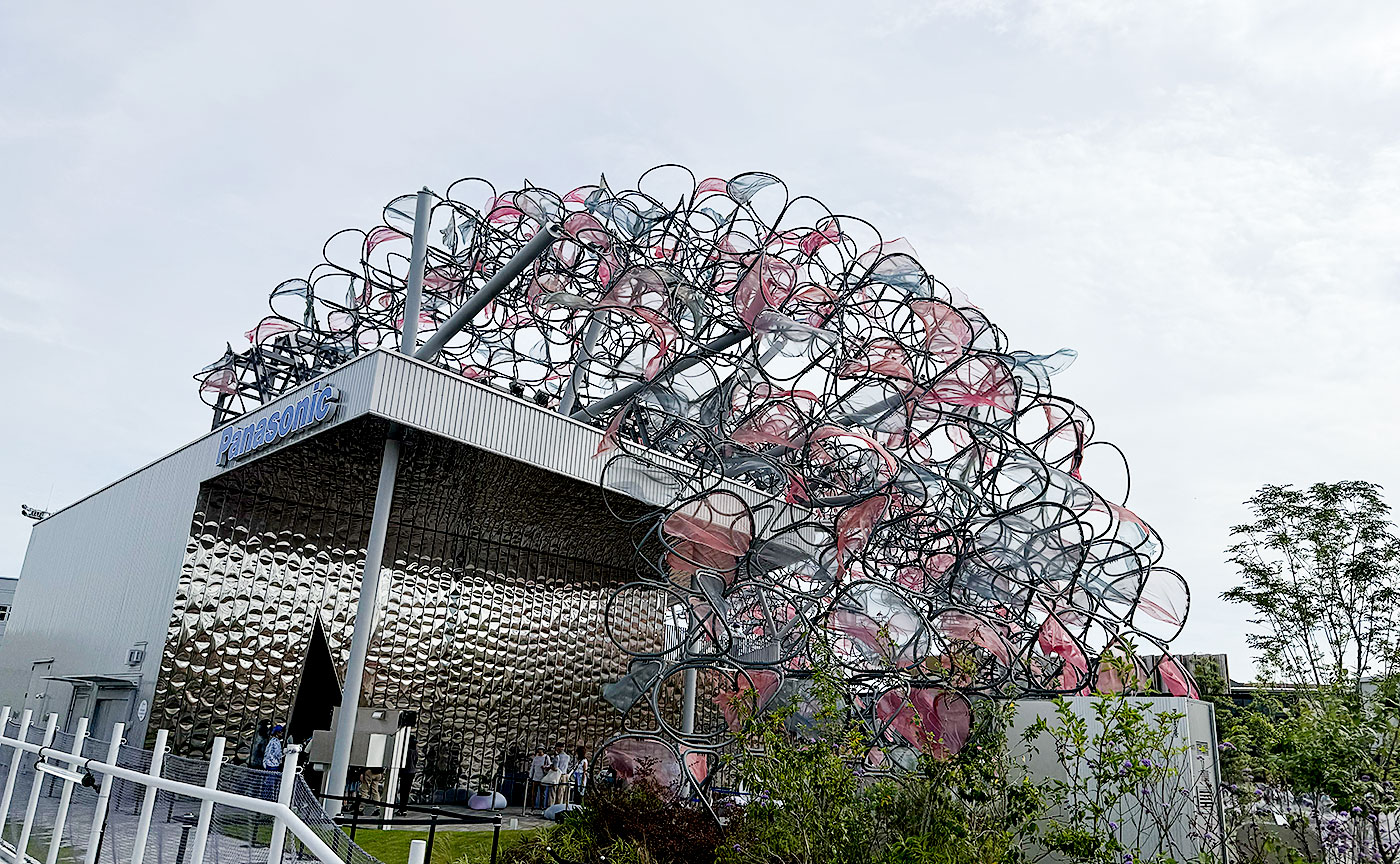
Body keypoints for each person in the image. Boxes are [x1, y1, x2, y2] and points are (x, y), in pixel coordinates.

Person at [528, 747, 549, 811]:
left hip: (543, 777)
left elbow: (550, 765)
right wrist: (530, 776)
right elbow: (532, 767)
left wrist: (545, 767)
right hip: (535, 777)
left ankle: (541, 806)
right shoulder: (535, 758)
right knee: (534, 793)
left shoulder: (546, 757)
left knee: (542, 793)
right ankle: (533, 806)